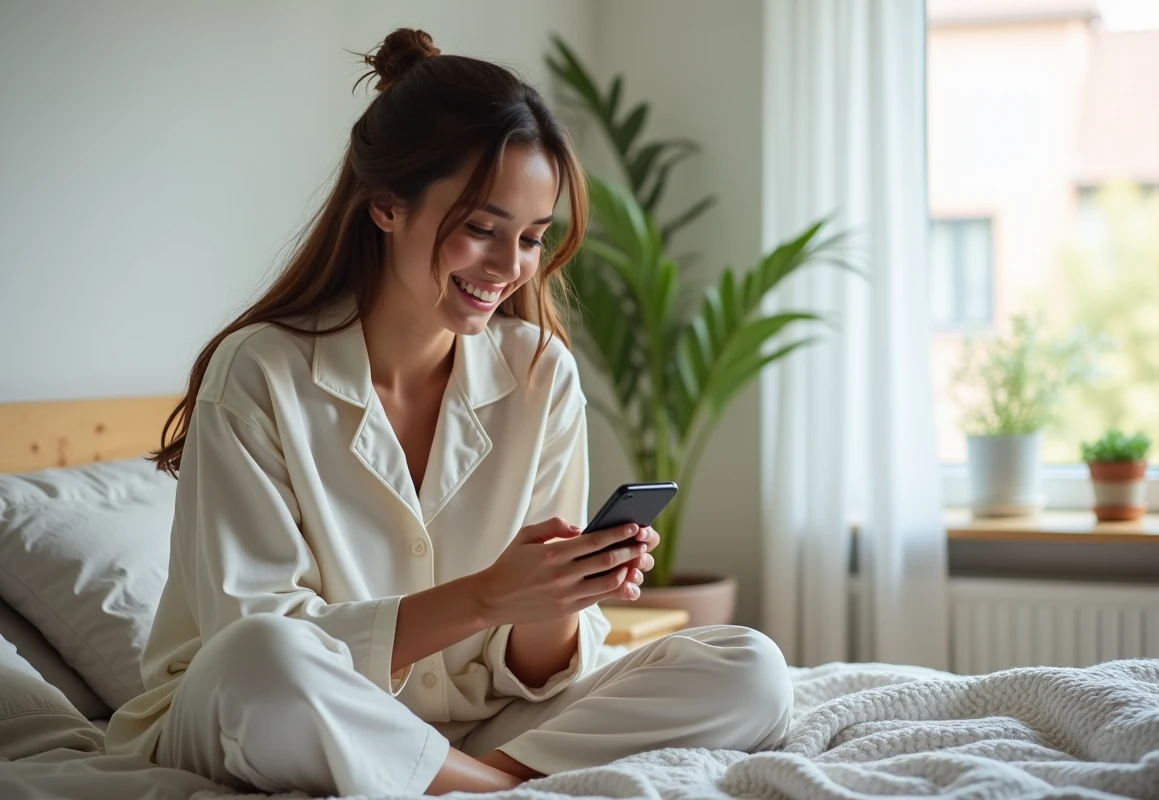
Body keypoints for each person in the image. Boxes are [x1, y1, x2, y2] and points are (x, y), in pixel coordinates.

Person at [104, 27, 793, 797]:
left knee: (751, 669)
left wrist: (559, 596)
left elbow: (532, 673)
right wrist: (486, 596)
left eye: (532, 238)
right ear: (386, 206)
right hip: (259, 710)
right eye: (479, 229)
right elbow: (259, 630)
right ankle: (489, 786)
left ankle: (460, 781)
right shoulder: (260, 370)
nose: (509, 268)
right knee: (258, 657)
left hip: (476, 724)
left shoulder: (539, 372)